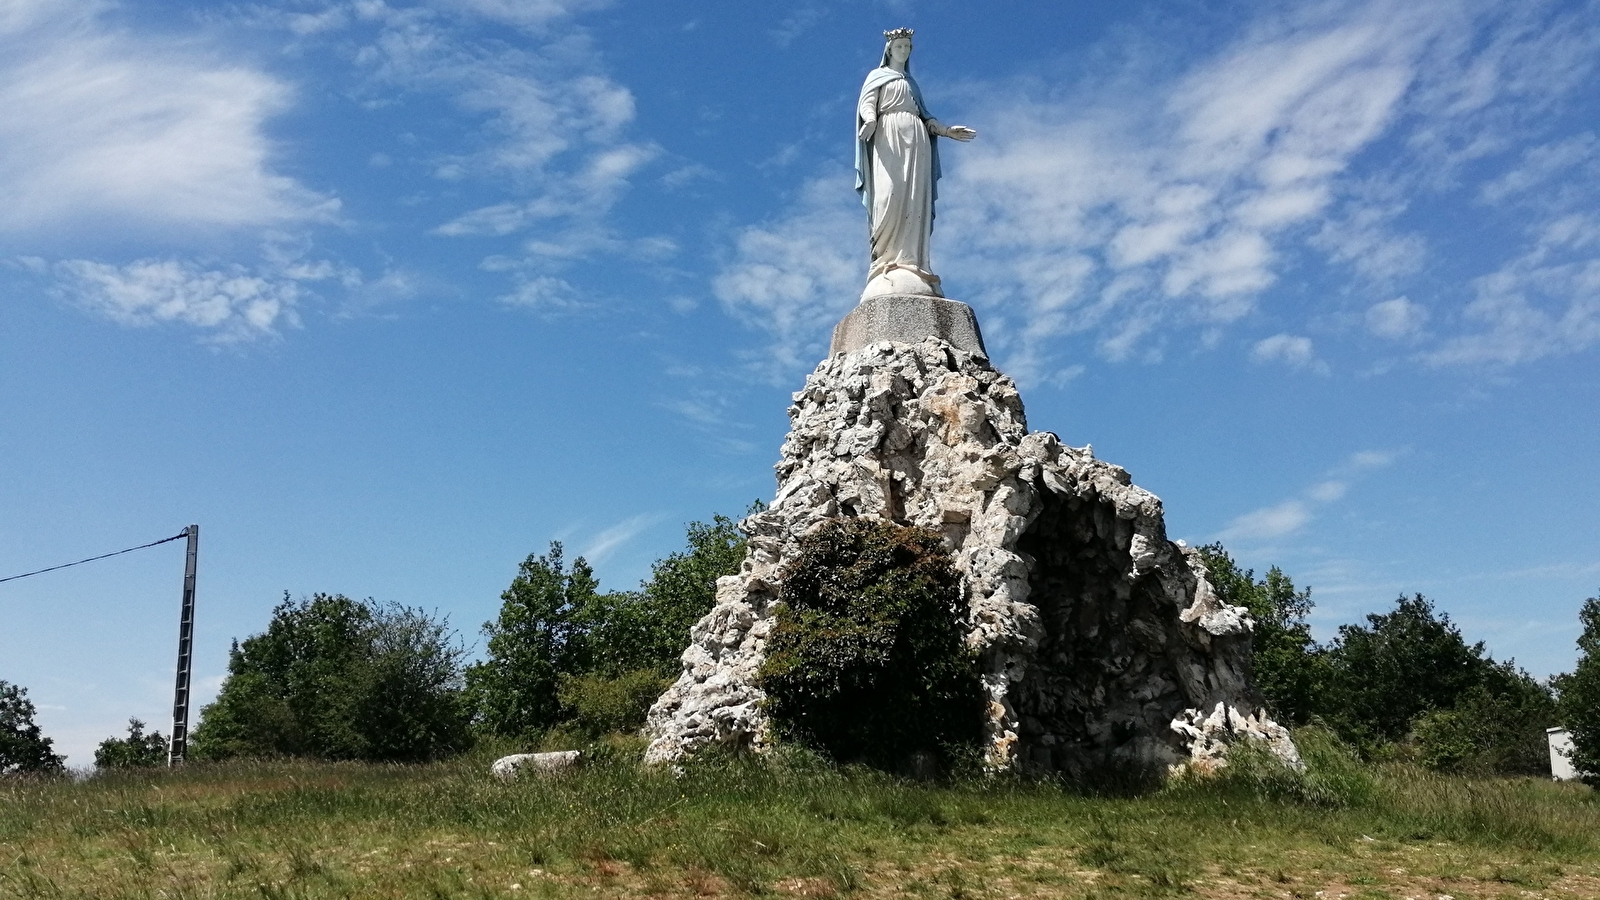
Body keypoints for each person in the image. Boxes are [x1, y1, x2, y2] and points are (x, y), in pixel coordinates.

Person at [855, 29, 976, 298]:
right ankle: (884, 262)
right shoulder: (877, 77)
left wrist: (945, 131)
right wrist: (871, 120)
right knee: (888, 195)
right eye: (899, 45)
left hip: (917, 140)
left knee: (914, 199)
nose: (904, 50)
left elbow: (925, 116)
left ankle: (912, 263)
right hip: (888, 135)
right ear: (889, 49)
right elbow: (868, 103)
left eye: (908, 46)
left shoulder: (911, 84)